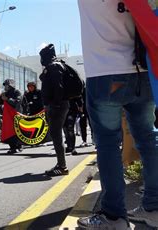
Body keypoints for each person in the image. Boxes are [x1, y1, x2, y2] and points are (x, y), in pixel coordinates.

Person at [77, 1, 158, 228]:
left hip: (105, 71)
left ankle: (114, 217)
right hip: (144, 68)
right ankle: (154, 208)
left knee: (108, 144)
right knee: (148, 139)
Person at [39, 44, 71, 176]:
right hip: (58, 104)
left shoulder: (53, 66)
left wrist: (55, 104)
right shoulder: (57, 65)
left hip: (57, 106)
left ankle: (62, 166)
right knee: (56, 135)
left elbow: (58, 87)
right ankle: (61, 165)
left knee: (56, 135)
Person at [0, 79, 23, 154]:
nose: (5, 87)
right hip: (7, 116)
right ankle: (12, 147)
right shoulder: (5, 93)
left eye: (6, 85)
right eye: (5, 85)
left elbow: (17, 102)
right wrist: (0, 97)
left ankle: (19, 146)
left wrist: (8, 99)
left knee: (17, 131)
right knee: (9, 131)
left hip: (16, 114)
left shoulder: (17, 92)